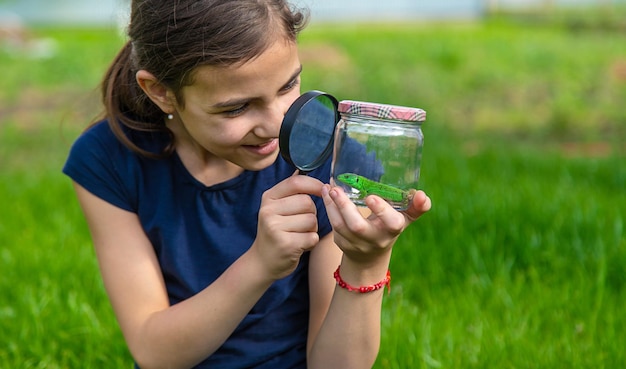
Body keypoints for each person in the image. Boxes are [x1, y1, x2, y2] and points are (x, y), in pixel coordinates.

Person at [62, 0, 431, 368]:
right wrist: (261, 263)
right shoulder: (108, 160)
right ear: (160, 92)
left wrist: (366, 261)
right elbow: (154, 352)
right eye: (236, 108)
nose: (275, 125)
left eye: (289, 86)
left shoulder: (333, 161)